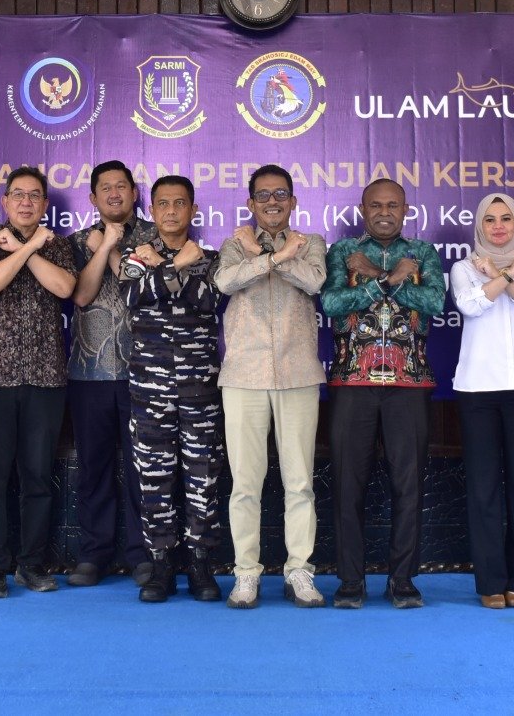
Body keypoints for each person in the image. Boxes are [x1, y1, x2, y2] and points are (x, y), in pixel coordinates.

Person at [322, 177, 445, 610]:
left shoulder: (423, 253)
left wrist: (379, 278)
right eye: (376, 205)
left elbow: (435, 303)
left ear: (406, 210)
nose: (384, 212)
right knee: (347, 487)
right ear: (363, 210)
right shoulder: (343, 252)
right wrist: (386, 278)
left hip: (410, 383)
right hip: (351, 382)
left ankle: (403, 580)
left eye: (393, 205)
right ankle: (350, 581)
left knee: (407, 486)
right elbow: (331, 304)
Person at [215, 165, 328, 610]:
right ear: (251, 203)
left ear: (293, 201)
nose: (272, 202)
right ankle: (247, 573)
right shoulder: (233, 244)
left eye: (281, 194)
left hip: (298, 374)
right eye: (263, 195)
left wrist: (265, 255)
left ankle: (299, 570)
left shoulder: (311, 242)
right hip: (243, 375)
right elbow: (225, 281)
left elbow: (314, 281)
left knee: (300, 482)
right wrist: (275, 257)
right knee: (245, 483)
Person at [0, 166, 77, 598]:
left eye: (34, 195)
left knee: (37, 477)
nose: (26, 202)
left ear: (45, 204)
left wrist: (27, 250)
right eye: (18, 195)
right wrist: (26, 248)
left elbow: (63, 288)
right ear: (5, 201)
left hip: (46, 377)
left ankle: (31, 564)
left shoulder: (59, 245)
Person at [120, 175, 224, 603]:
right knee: (154, 477)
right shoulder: (133, 257)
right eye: (162, 203)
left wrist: (165, 270)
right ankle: (161, 564)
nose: (170, 211)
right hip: (149, 389)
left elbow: (209, 300)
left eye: (180, 203)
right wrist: (179, 264)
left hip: (200, 389)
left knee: (203, 477)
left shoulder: (213, 259)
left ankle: (200, 563)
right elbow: (133, 296)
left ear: (193, 210)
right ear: (152, 210)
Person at [450, 192, 514, 610]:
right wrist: (504, 275)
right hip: (477, 390)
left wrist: (504, 278)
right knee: (484, 489)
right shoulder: (463, 268)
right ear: (479, 224)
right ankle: (491, 582)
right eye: (490, 219)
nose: (498, 227)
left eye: (505, 219)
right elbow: (470, 305)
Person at [66, 160, 158, 588]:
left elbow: (139, 292)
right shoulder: (77, 242)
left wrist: (113, 247)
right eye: (106, 188)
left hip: (146, 369)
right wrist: (101, 247)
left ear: (135, 194)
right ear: (92, 198)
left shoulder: (157, 237)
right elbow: (82, 296)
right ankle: (94, 554)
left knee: (144, 467)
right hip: (90, 373)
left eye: (122, 186)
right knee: (94, 468)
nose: (115, 193)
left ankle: (145, 554)